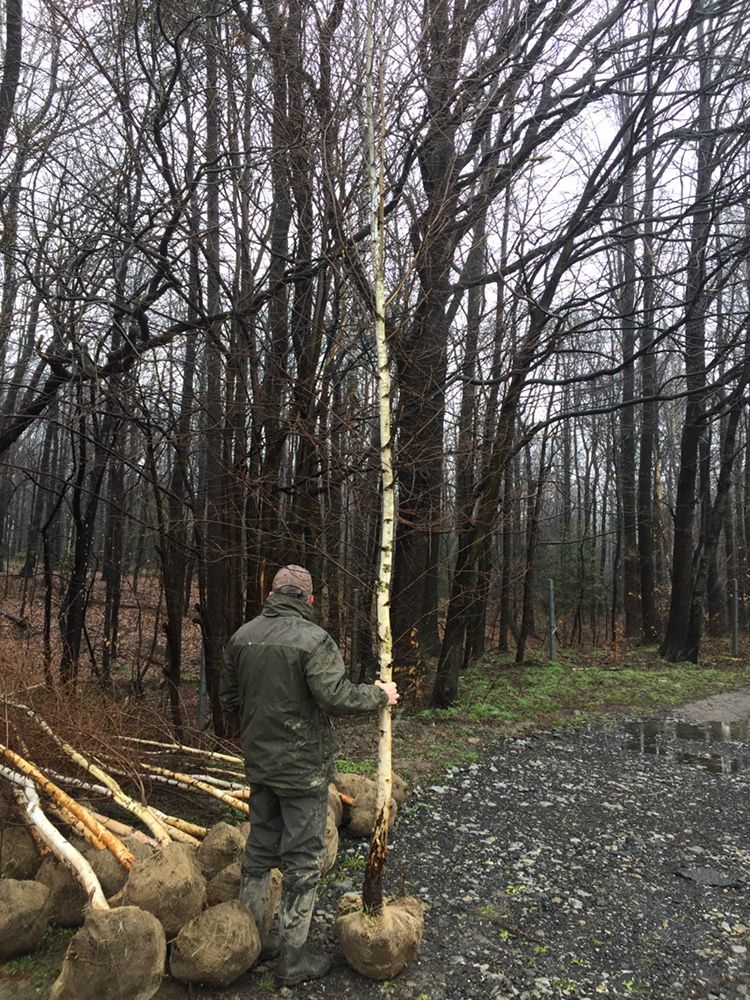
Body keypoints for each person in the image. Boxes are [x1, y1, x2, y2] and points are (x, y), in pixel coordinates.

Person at [220, 564, 399, 986]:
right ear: (309, 600)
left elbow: (228, 698)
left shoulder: (242, 637)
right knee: (303, 859)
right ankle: (293, 958)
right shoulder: (313, 640)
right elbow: (335, 696)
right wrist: (380, 695)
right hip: (301, 770)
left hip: (260, 766)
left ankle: (252, 939)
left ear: (272, 593)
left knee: (260, 850)